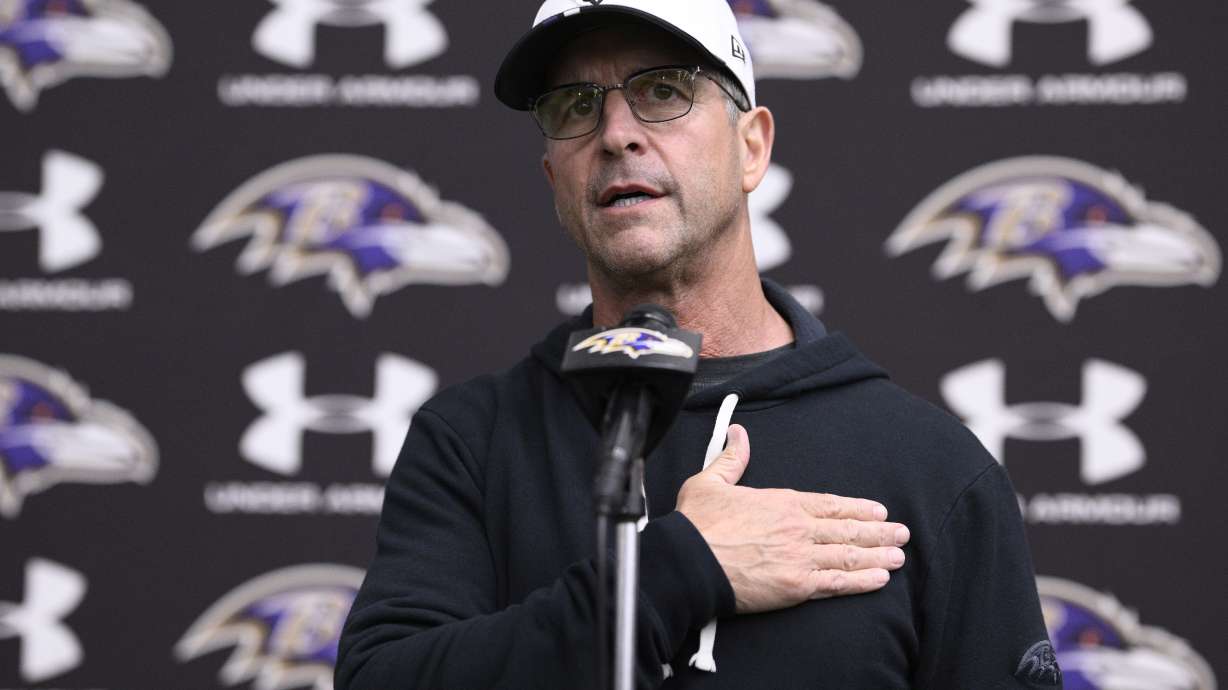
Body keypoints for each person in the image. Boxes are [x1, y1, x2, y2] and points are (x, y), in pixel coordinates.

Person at [336, 1, 1060, 688]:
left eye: (663, 91)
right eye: (575, 106)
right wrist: (675, 571)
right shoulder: (473, 441)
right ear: (555, 179)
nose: (615, 134)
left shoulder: (929, 466)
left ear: (752, 148)